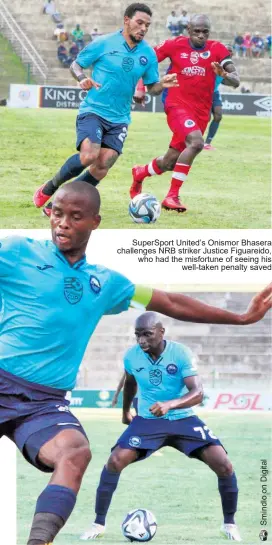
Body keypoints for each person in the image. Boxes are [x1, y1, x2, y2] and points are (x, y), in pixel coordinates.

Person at [1, 181, 271, 544]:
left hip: (44, 404)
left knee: (75, 452)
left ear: (95, 222)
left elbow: (170, 302)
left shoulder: (106, 283)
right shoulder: (17, 251)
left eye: (74, 216)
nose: (62, 223)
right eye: (56, 213)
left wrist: (241, 318)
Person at [80, 312, 244, 542]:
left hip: (183, 418)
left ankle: (229, 524)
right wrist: (126, 411)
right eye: (137, 335)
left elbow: (198, 393)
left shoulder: (180, 353)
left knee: (224, 465)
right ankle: (98, 523)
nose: (141, 340)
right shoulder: (131, 356)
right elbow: (130, 383)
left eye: (147, 334)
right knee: (115, 461)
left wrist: (170, 404)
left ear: (161, 332)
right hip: (148, 420)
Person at [33, 2, 178, 218]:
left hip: (120, 118)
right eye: (139, 23)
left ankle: (60, 203)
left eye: (147, 25)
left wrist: (161, 84)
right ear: (126, 20)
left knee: (103, 165)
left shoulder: (148, 54)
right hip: (93, 110)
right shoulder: (104, 43)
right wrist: (82, 78)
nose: (143, 28)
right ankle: (50, 187)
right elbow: (76, 65)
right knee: (88, 156)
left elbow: (152, 88)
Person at [130, 14, 240, 212]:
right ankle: (172, 196)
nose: (200, 36)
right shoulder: (174, 45)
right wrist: (140, 86)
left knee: (170, 162)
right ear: (188, 30)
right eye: (196, 31)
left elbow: (236, 80)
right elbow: (144, 61)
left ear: (209, 32)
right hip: (176, 105)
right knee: (197, 143)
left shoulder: (217, 49)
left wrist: (225, 76)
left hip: (201, 113)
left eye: (204, 32)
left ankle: (140, 172)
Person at [204, 44, 234, 150]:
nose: (228, 53)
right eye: (227, 50)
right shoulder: (214, 62)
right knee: (205, 118)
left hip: (215, 93)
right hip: (204, 92)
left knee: (218, 115)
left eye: (230, 51)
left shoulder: (230, 67)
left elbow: (225, 80)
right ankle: (194, 140)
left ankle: (207, 143)